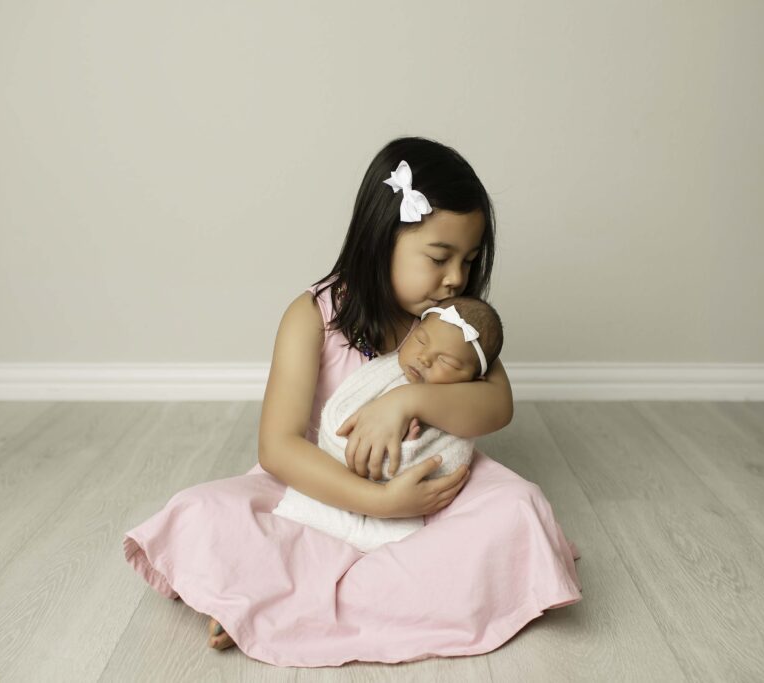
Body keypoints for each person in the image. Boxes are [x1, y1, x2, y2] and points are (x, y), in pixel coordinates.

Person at [123, 136, 582, 668]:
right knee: (202, 513)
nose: (457, 277)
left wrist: (409, 401)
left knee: (518, 508)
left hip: (429, 496)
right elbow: (278, 446)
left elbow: (497, 406)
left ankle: (277, 601)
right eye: (439, 257)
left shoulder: (450, 323)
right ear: (381, 239)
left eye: (469, 259)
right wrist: (380, 504)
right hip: (323, 490)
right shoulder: (311, 316)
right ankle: (289, 592)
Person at [271, 297, 505, 552]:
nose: (425, 358)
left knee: (515, 507)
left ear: (474, 378)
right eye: (420, 340)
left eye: (446, 362)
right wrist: (381, 497)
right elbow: (343, 412)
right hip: (322, 471)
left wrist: (409, 443)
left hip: (415, 493)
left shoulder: (465, 338)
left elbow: (445, 453)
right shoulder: (314, 314)